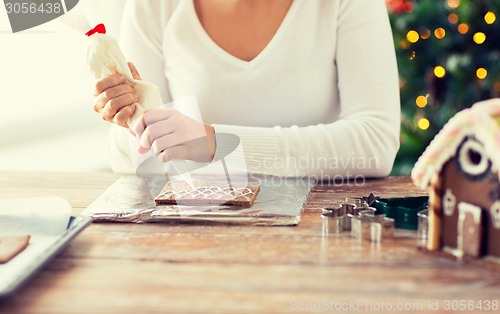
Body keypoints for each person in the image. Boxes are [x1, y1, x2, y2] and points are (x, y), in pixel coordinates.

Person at [92, 0, 400, 179]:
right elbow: (125, 157)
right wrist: (133, 123)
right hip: (200, 234)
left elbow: (376, 142)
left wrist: (218, 145)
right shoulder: (153, 6)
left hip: (327, 226)